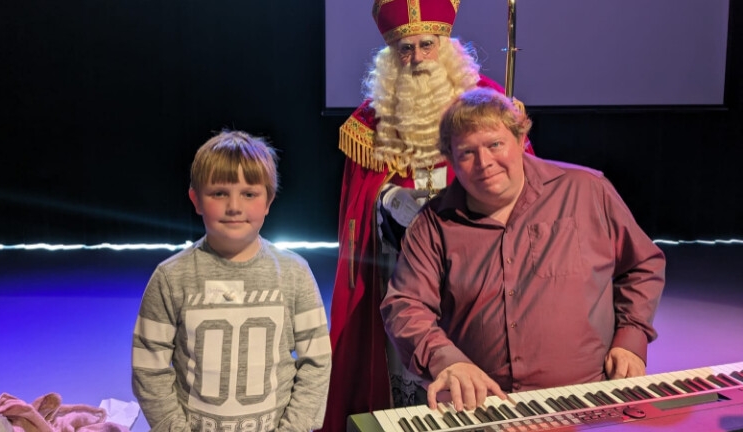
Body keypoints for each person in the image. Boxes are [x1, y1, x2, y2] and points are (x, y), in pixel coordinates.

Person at [380, 87, 666, 413]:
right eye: (467, 153)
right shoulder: (432, 223)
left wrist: (631, 338)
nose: (484, 163)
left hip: (587, 406)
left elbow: (642, 266)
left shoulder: (587, 191)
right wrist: (445, 360)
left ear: (519, 138)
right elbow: (404, 305)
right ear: (452, 160)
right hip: (483, 410)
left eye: (495, 144)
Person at [323, 0, 535, 429]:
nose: (417, 58)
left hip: (478, 268)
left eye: (426, 45)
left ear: (446, 44)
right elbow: (359, 208)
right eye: (405, 49)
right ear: (391, 55)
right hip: (400, 268)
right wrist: (387, 204)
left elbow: (525, 189)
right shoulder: (369, 122)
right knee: (408, 371)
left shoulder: (491, 106)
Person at [131, 130, 332, 432]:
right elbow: (149, 370)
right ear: (196, 200)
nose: (234, 206)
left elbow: (316, 362)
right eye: (219, 193)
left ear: (268, 201)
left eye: (249, 194)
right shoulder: (170, 277)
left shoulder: (295, 273)